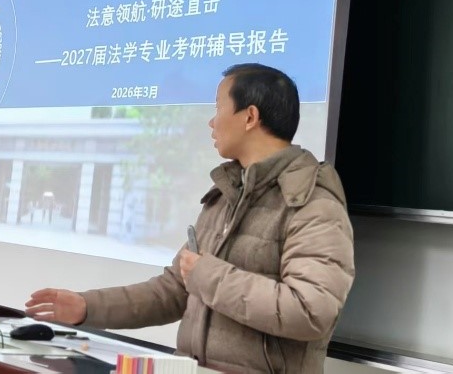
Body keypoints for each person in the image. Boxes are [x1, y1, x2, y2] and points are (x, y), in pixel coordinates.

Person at [26, 63, 354, 373]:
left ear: (250, 117)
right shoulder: (226, 194)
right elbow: (173, 290)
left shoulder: (313, 201)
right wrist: (87, 307)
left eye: (218, 108)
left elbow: (311, 311)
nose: (212, 122)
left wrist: (208, 274)